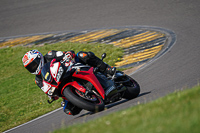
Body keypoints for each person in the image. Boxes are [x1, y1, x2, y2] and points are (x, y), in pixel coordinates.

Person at [22, 49, 116, 115]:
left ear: (39, 58)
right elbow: (47, 89)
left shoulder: (50, 55)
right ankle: (89, 99)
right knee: (69, 110)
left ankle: (107, 69)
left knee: (83, 55)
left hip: (71, 69)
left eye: (34, 64)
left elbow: (66, 53)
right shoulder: (38, 80)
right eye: (30, 67)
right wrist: (52, 95)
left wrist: (68, 54)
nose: (33, 68)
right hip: (62, 86)